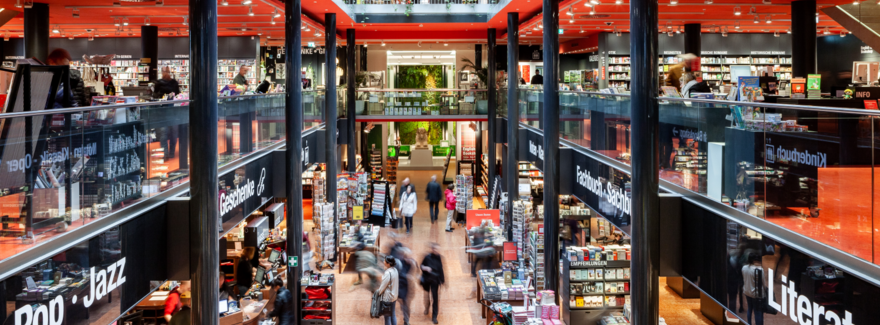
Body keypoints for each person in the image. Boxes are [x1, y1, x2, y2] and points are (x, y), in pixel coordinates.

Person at [420, 243, 445, 324]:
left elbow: (441, 269)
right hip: (427, 280)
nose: (437, 251)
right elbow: (421, 266)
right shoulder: (427, 257)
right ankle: (427, 308)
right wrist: (426, 268)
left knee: (435, 298)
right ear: (432, 249)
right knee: (426, 296)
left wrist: (443, 280)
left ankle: (434, 317)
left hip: (435, 281)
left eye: (438, 249)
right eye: (435, 249)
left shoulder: (439, 258)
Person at [391, 243, 415, 325]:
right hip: (399, 287)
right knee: (402, 305)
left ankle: (406, 321)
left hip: (407, 289)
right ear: (404, 257)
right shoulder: (399, 263)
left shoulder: (412, 263)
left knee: (406, 306)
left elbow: (414, 274)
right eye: (407, 257)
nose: (409, 258)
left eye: (410, 257)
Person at [741, 253, 765, 325]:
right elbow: (763, 283)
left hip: (747, 292)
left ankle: (749, 323)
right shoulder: (759, 270)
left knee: (749, 309)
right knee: (757, 311)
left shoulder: (744, 268)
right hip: (755, 294)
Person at [376, 255, 400, 325]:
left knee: (387, 318)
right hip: (394, 296)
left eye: (384, 261)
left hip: (388, 298)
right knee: (393, 314)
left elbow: (383, 286)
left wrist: (378, 293)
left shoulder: (387, 273)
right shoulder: (395, 270)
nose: (383, 262)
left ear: (388, 263)